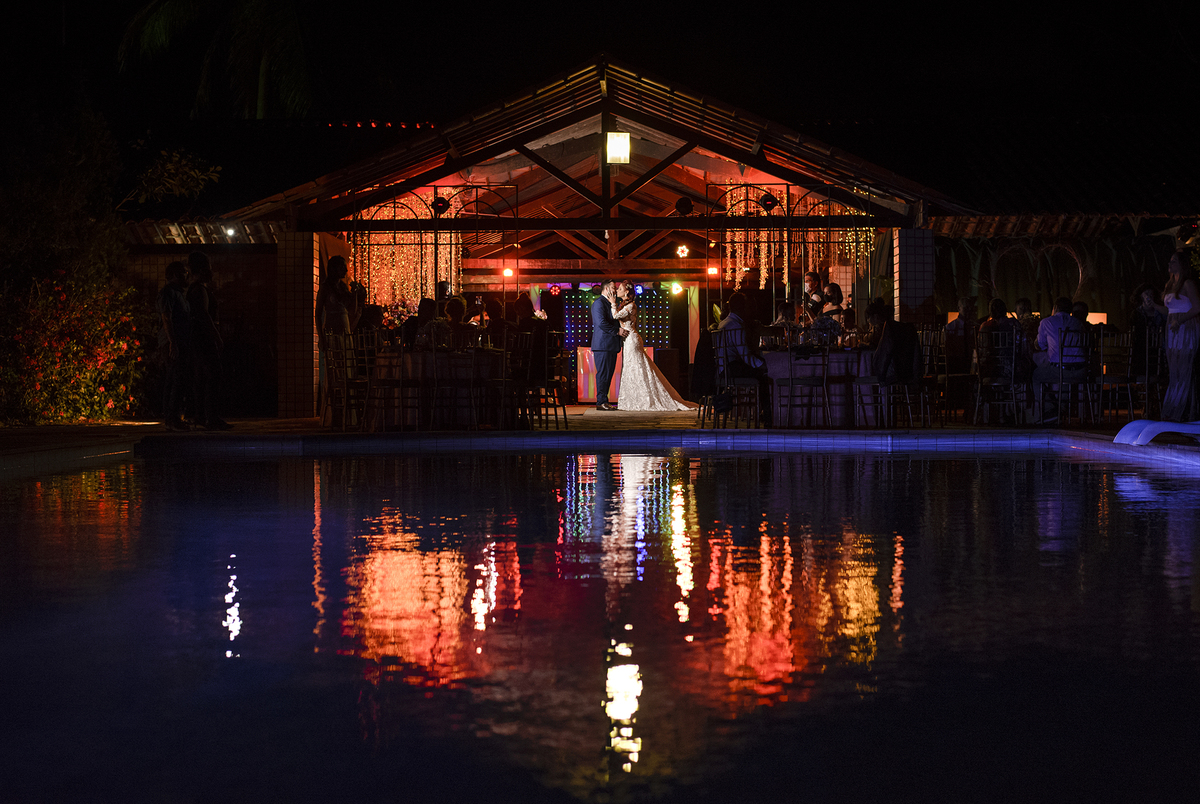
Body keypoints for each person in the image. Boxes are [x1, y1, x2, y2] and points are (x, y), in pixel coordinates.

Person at [610, 281, 697, 412]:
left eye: (620, 288)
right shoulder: (626, 305)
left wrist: (612, 303)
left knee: (637, 367)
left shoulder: (631, 305)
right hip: (627, 340)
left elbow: (615, 316)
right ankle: (634, 399)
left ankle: (644, 399)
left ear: (626, 292)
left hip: (632, 339)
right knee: (631, 368)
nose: (617, 290)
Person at [185, 251, 232, 430]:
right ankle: (210, 417)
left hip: (196, 338)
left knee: (201, 377)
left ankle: (201, 415)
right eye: (209, 268)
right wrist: (216, 335)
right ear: (203, 269)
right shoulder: (200, 290)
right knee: (213, 374)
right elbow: (204, 316)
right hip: (204, 338)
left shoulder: (194, 289)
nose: (212, 272)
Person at [715, 291, 772, 425]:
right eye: (747, 305)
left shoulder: (724, 323)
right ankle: (768, 416)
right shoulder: (735, 325)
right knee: (764, 377)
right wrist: (763, 365)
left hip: (722, 368)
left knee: (762, 373)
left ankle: (765, 415)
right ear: (742, 306)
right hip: (731, 368)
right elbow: (745, 355)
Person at [1161, 251, 1200, 422]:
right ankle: (1174, 407)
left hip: (1185, 328)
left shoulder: (1187, 284)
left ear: (1181, 265)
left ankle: (1184, 410)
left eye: (1174, 261)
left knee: (1184, 367)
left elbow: (1197, 307)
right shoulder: (1170, 284)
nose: (1170, 264)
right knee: (1175, 369)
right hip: (1173, 328)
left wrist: (1180, 320)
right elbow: (1168, 310)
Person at [1032, 296, 1085, 422]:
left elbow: (1040, 345)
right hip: (1081, 371)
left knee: (1036, 376)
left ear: (1055, 308)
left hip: (1060, 371)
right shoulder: (1078, 323)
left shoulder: (1047, 322)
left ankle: (1050, 409)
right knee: (1063, 371)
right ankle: (1061, 409)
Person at [156, 260, 192, 431]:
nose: (187, 276)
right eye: (184, 272)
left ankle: (174, 418)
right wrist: (172, 343)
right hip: (172, 342)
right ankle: (172, 419)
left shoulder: (178, 294)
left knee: (178, 379)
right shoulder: (168, 293)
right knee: (175, 379)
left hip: (179, 341)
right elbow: (166, 317)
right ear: (176, 275)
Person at [591, 281, 623, 410]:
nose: (615, 290)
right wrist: (617, 331)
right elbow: (601, 323)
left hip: (610, 345)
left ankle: (605, 400)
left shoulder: (611, 302)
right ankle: (601, 401)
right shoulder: (599, 303)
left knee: (608, 374)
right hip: (603, 344)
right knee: (603, 374)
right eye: (613, 288)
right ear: (606, 289)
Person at [315, 256, 358, 339]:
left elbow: (352, 311)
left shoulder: (343, 288)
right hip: (332, 331)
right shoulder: (326, 288)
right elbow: (318, 314)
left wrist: (355, 293)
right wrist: (321, 336)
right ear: (334, 268)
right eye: (342, 267)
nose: (346, 270)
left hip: (345, 332)